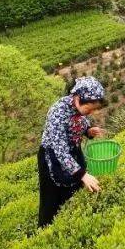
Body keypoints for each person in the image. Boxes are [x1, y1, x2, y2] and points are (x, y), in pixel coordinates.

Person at [37, 76, 107, 227]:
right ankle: (45, 232)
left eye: (93, 110)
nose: (90, 113)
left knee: (74, 190)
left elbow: (80, 121)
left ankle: (71, 224)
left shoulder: (79, 109)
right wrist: (82, 174)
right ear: (77, 98)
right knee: (52, 200)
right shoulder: (58, 112)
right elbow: (60, 150)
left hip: (73, 152)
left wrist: (88, 131)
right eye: (89, 109)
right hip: (53, 157)